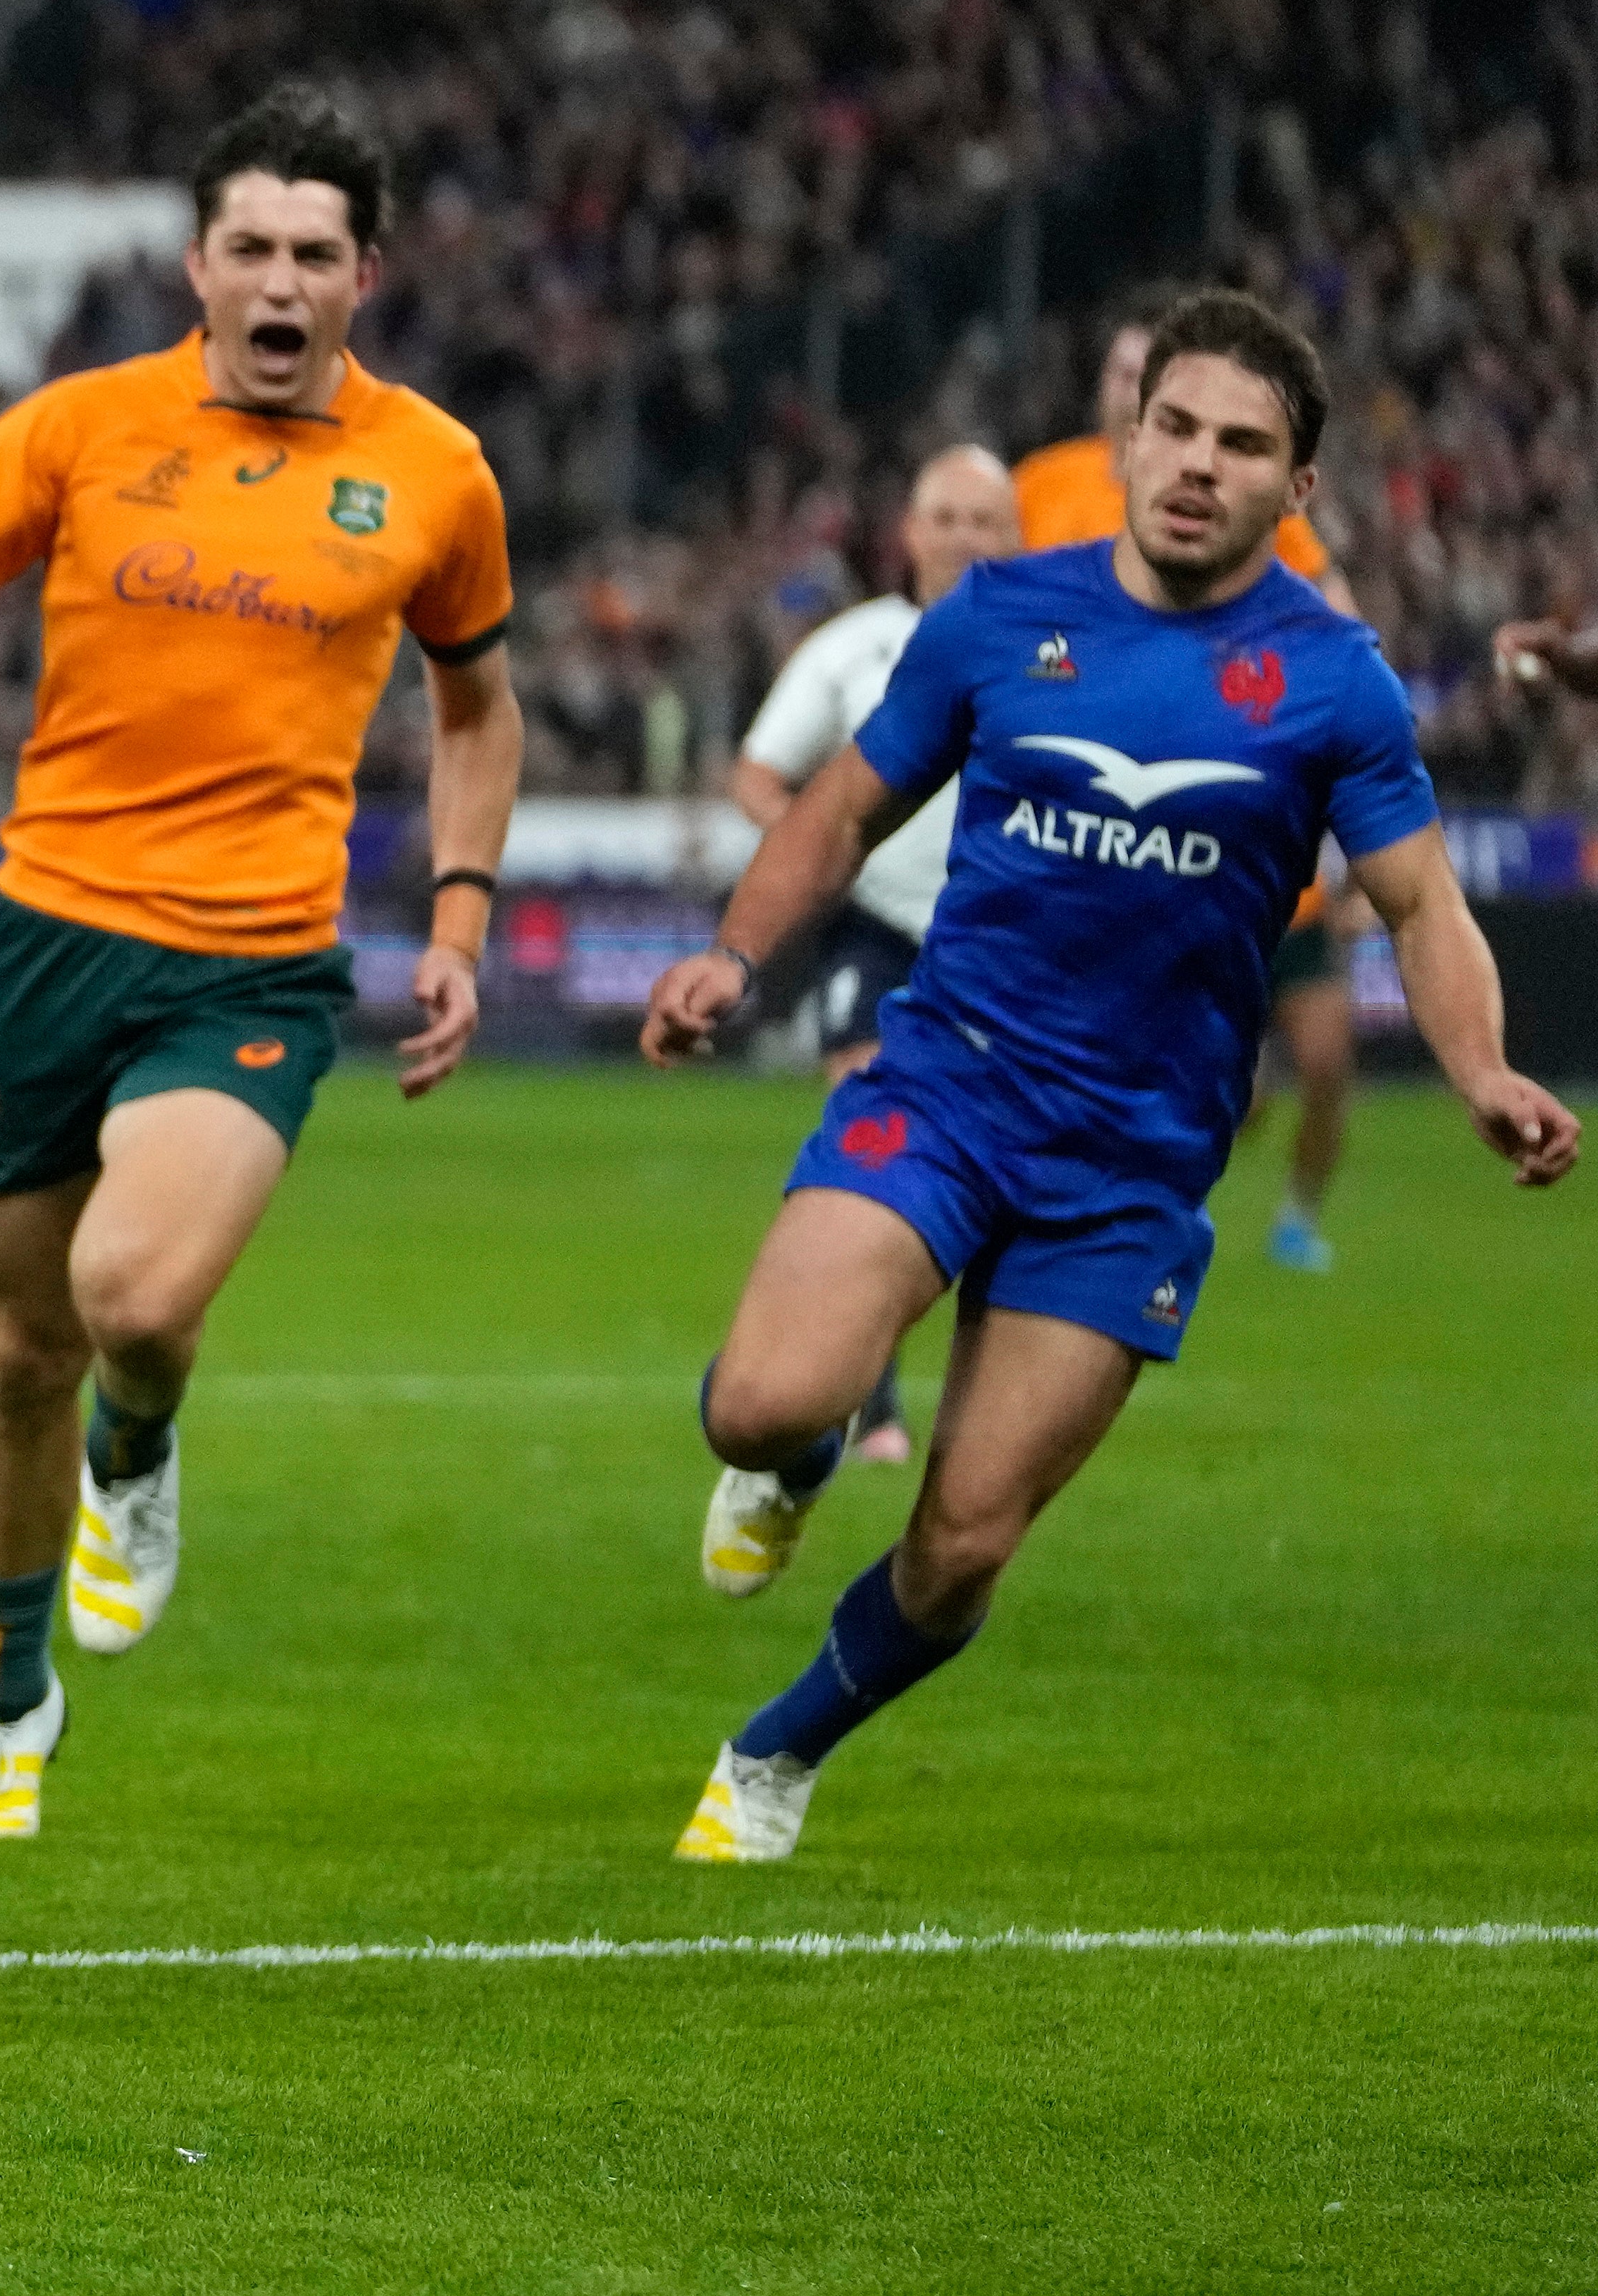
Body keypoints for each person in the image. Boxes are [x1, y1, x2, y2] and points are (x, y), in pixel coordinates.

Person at [642, 288, 1575, 1865]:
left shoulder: (1336, 682)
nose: (1202, 464)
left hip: (1133, 1169)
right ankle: (797, 1458)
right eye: (1180, 426)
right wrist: (737, 954)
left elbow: (1423, 901)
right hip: (950, 1083)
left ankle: (776, 1749)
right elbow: (842, 808)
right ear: (1129, 438)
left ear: (1302, 488)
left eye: (1247, 445)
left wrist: (1477, 1062)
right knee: (760, 1401)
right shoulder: (1002, 615)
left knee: (959, 1547)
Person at [0, 82, 524, 1841]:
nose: (276, 278)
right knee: (19, 1346)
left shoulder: (431, 471)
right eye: (246, 243)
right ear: (195, 261)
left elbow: (474, 702)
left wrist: (456, 919)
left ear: (360, 278)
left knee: (132, 1301)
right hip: (45, 937)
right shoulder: (80, 428)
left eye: (311, 251)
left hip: (246, 961)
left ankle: (139, 1444)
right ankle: (7, 1705)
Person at [712, 447, 1020, 1543]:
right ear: (909, 531)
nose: (964, 536)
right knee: (875, 1134)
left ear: (1016, 532)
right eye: (945, 515)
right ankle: (866, 1402)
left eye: (986, 519)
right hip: (879, 936)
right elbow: (758, 772)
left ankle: (960, 1417)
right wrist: (809, 854)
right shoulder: (852, 649)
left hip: (1008, 958)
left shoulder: (1058, 648)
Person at [1011, 288, 1356, 612]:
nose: (1128, 394)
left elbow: (1331, 601)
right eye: (1121, 373)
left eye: (1143, 378)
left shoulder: (1235, 500)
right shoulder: (1037, 480)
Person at [1254, 860, 1364, 1271]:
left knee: (1328, 1070)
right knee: (1243, 1107)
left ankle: (1298, 1221)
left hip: (1307, 928)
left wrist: (1358, 901)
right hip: (1242, 916)